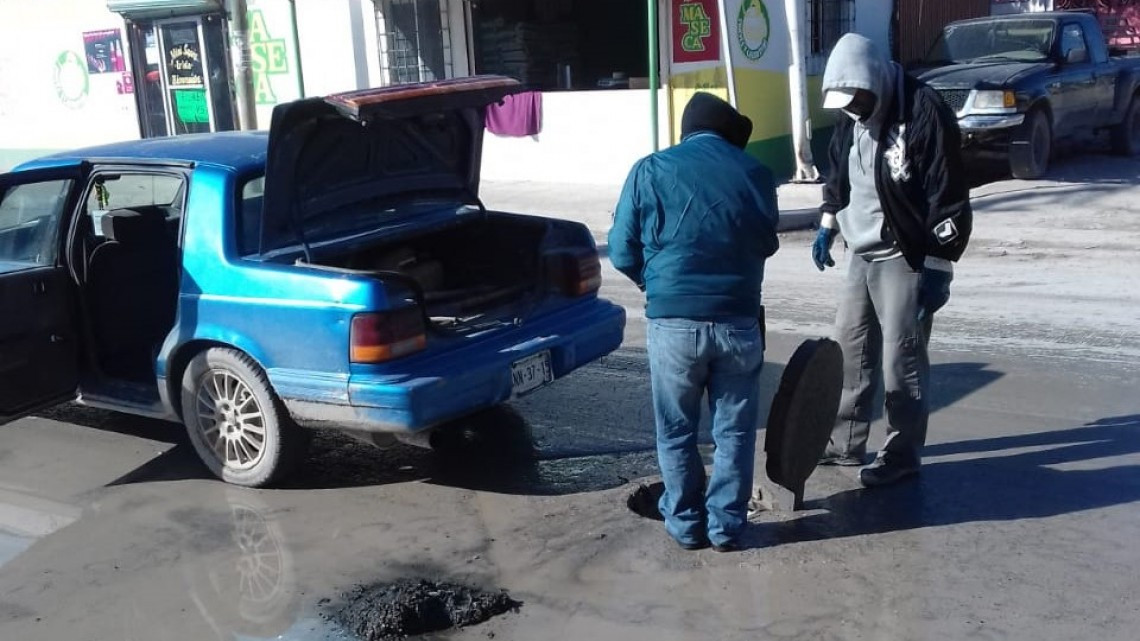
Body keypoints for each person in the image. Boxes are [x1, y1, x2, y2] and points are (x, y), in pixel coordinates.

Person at [609, 93, 780, 551]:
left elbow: (622, 250)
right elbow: (767, 242)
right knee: (735, 433)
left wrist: (658, 286)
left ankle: (685, 524)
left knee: (676, 430)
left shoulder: (649, 169)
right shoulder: (756, 173)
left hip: (673, 325)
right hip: (738, 322)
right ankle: (726, 528)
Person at [812, 33, 972, 487]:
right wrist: (828, 222)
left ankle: (901, 453)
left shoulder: (923, 111)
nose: (855, 109)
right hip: (860, 252)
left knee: (901, 360)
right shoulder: (849, 114)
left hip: (904, 252)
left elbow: (948, 191)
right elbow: (838, 170)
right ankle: (845, 441)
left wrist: (940, 266)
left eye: (859, 99)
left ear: (875, 80)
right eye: (847, 102)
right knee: (850, 348)